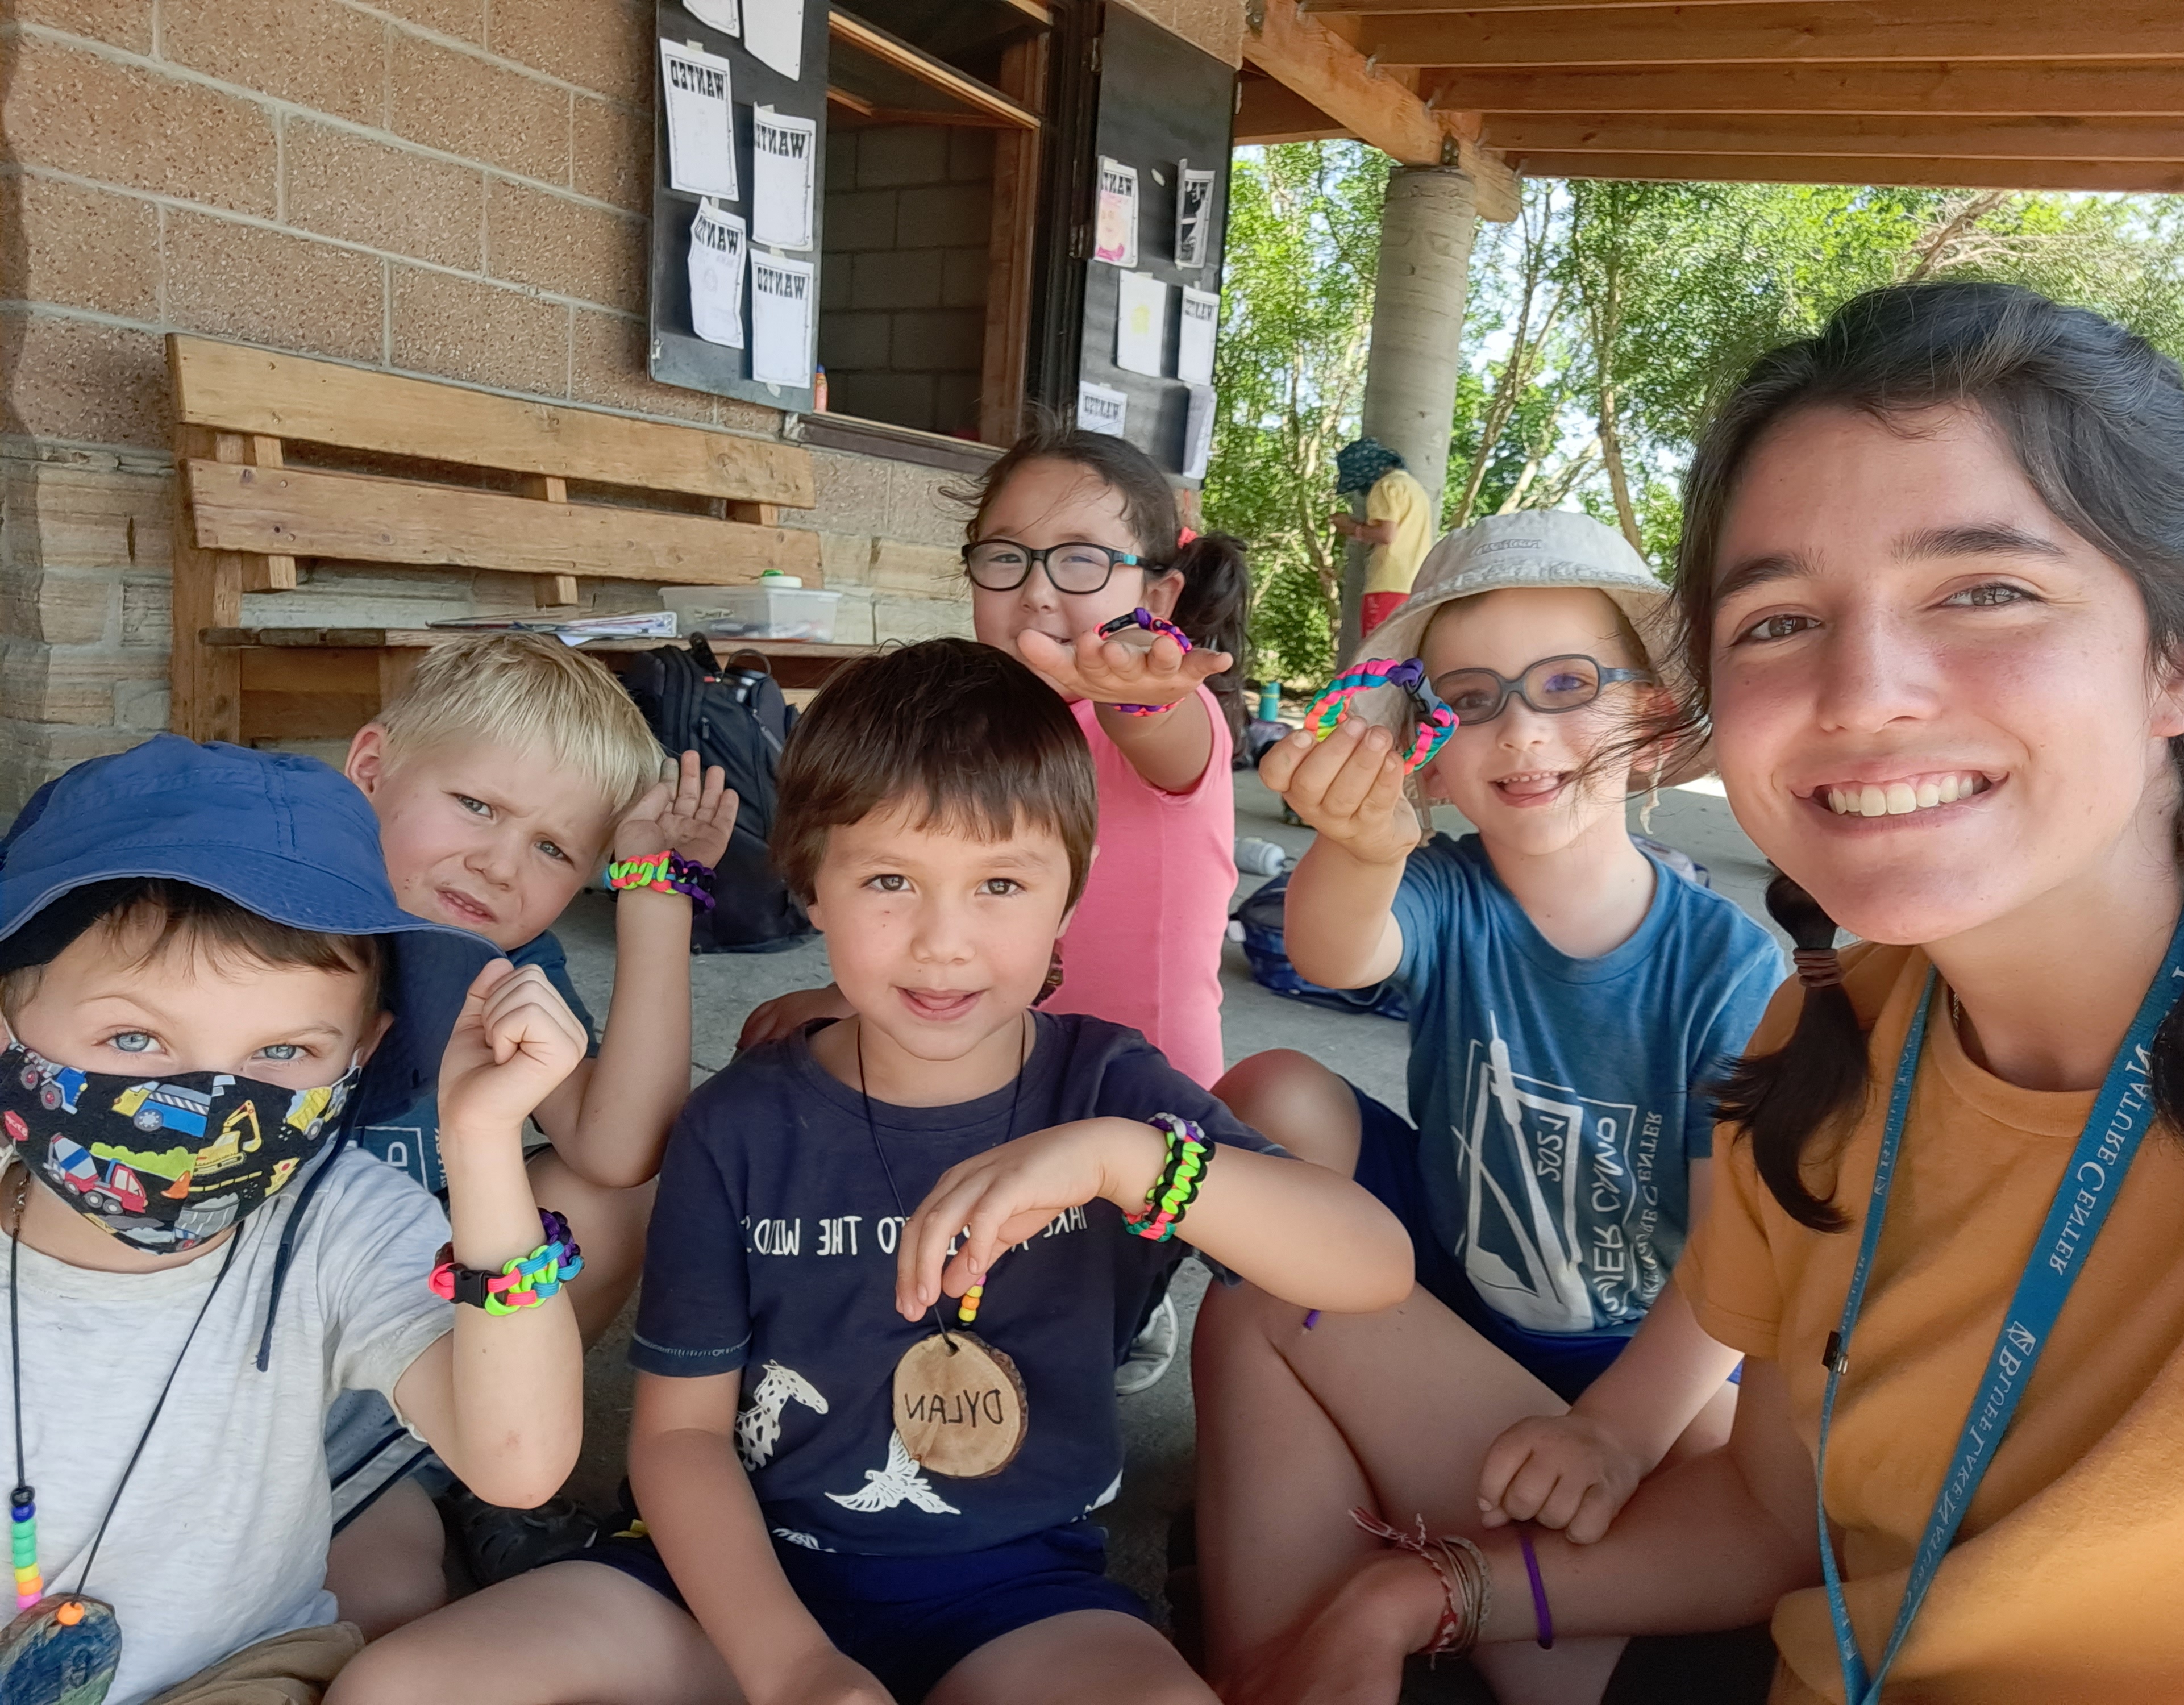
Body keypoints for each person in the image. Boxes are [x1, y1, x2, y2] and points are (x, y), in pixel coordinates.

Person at [1218, 282, 2184, 1705]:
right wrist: (1422, 1592)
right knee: (1263, 1295)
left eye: (1983, 590)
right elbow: (1780, 1514)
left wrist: (1606, 1439)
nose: (1863, 690)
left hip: (1629, 1378)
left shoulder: (1725, 968)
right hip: (1750, 1598)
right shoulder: (1837, 1025)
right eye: (1779, 619)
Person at [329, 637, 1411, 1705]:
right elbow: (680, 1440)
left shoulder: (1112, 1092)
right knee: (399, 1687)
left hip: (1024, 1597)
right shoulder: (737, 1124)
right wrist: (791, 1667)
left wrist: (1127, 1161)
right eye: (890, 879)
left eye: (1001, 883)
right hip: (722, 1584)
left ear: (1071, 898)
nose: (943, 941)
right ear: (811, 887)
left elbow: (1370, 1266)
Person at [1196, 510, 1784, 1701]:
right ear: (1430, 744)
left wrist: (1616, 1432)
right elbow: (1334, 950)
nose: (1518, 729)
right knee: (1270, 1098)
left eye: (1567, 685)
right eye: (1470, 699)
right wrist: (1363, 846)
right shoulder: (1448, 890)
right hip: (1459, 1282)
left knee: (1738, 1491)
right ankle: (1306, 1639)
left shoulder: (1727, 968)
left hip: (1645, 1345)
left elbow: (1745, 1254)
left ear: (1653, 715)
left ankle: (1401, 1558)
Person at [0, 735, 586, 1705]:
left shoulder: (336, 1226)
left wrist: (483, 1144)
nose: (204, 1105)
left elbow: (517, 1463)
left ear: (363, 1052)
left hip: (240, 1676)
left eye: (282, 1053)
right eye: (134, 1037)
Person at [740, 421, 1251, 1389]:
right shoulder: (977, 734)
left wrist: (1135, 692)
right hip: (987, 1059)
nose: (1039, 589)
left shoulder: (1168, 726)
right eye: (1007, 557)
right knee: (783, 1033)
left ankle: (1126, 1291)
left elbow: (1167, 728)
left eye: (1083, 560)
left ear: (1157, 596)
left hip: (1126, 1109)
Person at [327, 633, 737, 1624]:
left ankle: (470, 1452)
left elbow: (620, 1151)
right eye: (477, 805)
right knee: (361, 1599)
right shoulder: (273, 932)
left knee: (620, 1193)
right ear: (372, 768)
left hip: (424, 1348)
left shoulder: (509, 969)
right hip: (266, 1350)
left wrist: (656, 893)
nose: (499, 864)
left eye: (554, 850)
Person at [1330, 438, 1433, 639]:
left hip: (1387, 585)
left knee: (1376, 650)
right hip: (1415, 585)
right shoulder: (1412, 487)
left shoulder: (1384, 486)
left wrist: (1352, 528)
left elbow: (1386, 535)